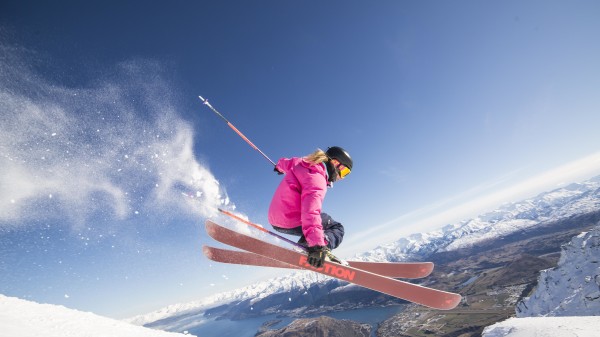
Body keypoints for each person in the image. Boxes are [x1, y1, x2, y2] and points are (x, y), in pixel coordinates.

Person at [268, 146, 353, 268]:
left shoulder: (304, 163)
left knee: (324, 218)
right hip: (291, 219)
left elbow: (289, 163)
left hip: (275, 219)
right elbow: (311, 212)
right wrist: (317, 245)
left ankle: (310, 240)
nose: (342, 177)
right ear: (335, 162)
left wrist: (280, 166)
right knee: (337, 227)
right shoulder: (317, 179)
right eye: (345, 172)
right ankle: (316, 245)